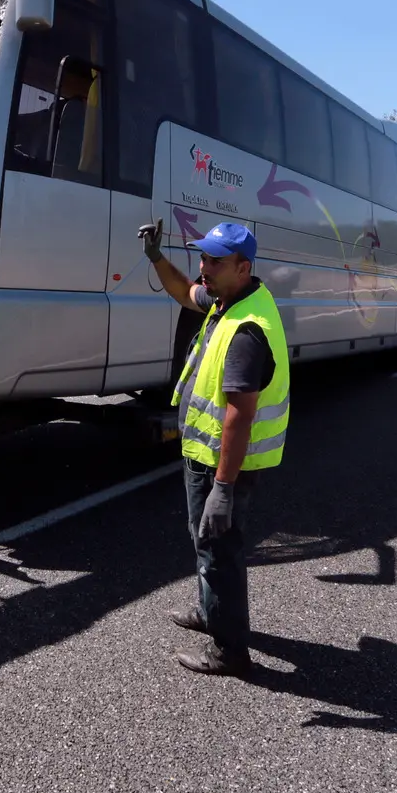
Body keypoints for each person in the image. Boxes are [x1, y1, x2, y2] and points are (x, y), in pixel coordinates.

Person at [137, 220, 290, 677]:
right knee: (205, 541)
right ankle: (211, 613)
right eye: (202, 257)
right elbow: (185, 292)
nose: (203, 267)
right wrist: (155, 258)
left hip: (225, 464)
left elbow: (239, 415)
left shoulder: (247, 328)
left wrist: (223, 486)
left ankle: (230, 652)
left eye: (214, 261)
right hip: (204, 454)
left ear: (243, 267)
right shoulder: (228, 300)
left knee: (220, 549)